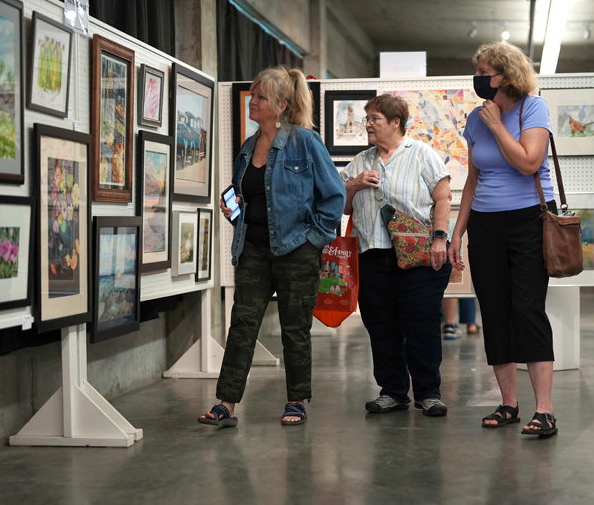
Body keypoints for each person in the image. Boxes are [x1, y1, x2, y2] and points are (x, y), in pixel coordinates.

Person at [199, 67, 345, 427]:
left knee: (294, 329)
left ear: (280, 105)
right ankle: (226, 404)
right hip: (253, 250)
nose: (253, 102)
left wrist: (312, 241)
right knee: (242, 324)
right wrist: (234, 211)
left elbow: (334, 196)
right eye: (253, 95)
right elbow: (248, 198)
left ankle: (296, 400)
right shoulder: (248, 147)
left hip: (296, 251)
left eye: (261, 97)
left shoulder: (305, 142)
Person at [448, 41, 559, 437]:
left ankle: (544, 410)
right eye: (476, 71)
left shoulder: (534, 108)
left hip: (528, 220)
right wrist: (457, 233)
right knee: (493, 310)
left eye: (484, 73)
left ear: (507, 74)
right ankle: (509, 403)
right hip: (485, 224)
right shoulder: (474, 119)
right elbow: (472, 181)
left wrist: (497, 124)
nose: (478, 79)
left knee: (527, 309)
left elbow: (529, 161)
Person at [341, 94, 453, 417]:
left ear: (395, 123)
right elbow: (343, 208)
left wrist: (440, 238)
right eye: (367, 119)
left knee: (422, 325)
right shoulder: (360, 162)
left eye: (375, 119)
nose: (368, 125)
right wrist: (354, 185)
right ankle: (392, 391)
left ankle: (428, 391)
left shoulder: (421, 154)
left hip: (416, 258)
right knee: (381, 326)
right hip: (372, 256)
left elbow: (443, 197)